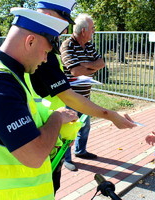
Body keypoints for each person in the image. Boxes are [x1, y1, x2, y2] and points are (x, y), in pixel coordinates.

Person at [0, 8, 79, 199]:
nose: (44, 60)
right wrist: (56, 118)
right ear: (30, 41)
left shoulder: (4, 74)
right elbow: (34, 155)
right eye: (45, 52)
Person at [59, 13, 136, 171]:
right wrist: (89, 67)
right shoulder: (67, 45)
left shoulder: (88, 45)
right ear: (83, 31)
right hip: (71, 97)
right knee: (68, 129)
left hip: (85, 95)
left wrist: (86, 64)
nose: (94, 31)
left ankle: (80, 151)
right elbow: (75, 71)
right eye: (92, 28)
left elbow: (101, 63)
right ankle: (65, 159)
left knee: (84, 126)